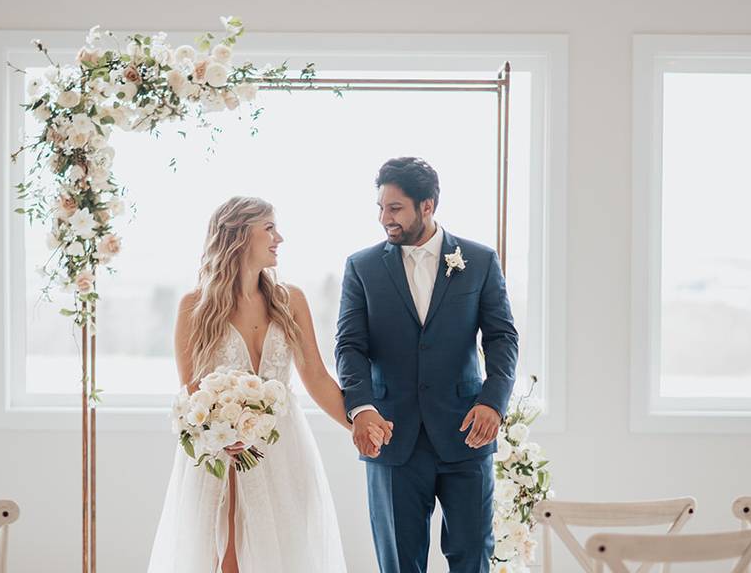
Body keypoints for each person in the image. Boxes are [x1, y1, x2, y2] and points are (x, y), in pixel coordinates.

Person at [148, 196, 390, 573]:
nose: (280, 237)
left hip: (283, 449)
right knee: (225, 556)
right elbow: (191, 392)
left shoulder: (289, 300)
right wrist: (223, 435)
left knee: (287, 553)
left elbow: (316, 377)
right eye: (270, 228)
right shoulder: (194, 306)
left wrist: (358, 426)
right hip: (222, 454)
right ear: (241, 235)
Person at [336, 157, 519, 573]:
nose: (385, 218)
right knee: (399, 562)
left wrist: (493, 401)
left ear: (428, 206)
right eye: (381, 207)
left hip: (466, 433)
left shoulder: (480, 260)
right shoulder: (361, 267)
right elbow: (349, 346)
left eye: (395, 208)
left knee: (472, 556)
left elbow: (502, 337)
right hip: (392, 437)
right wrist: (362, 409)